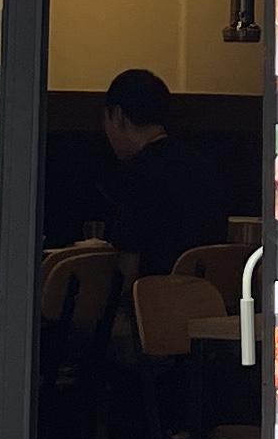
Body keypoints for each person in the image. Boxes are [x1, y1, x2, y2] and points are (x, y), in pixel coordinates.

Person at [88, 66, 225, 279]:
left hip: (153, 296)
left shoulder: (134, 174)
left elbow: (128, 266)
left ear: (118, 116)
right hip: (209, 293)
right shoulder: (204, 166)